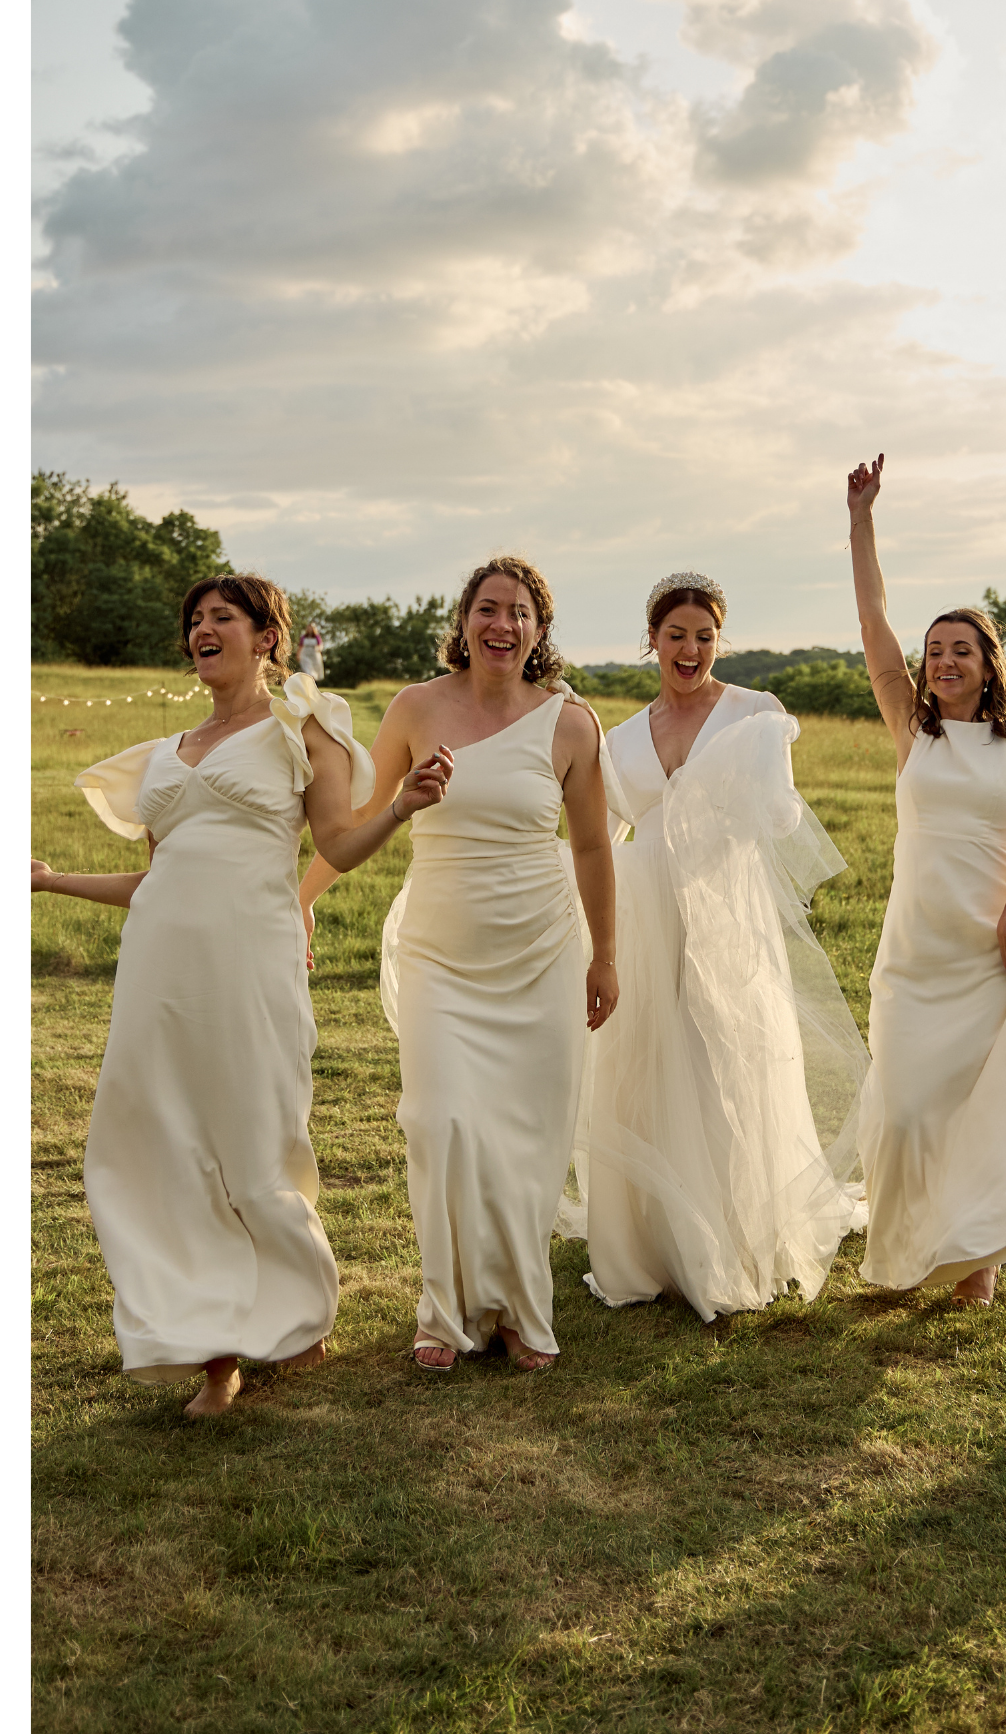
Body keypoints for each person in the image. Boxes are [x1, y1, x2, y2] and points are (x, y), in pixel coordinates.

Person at [31, 574, 451, 1421]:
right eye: (194, 620)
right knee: (155, 1144)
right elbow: (154, 880)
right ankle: (213, 1351)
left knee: (254, 1138)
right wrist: (48, 882)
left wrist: (400, 807)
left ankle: (294, 1307)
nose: (202, 629)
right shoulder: (163, 753)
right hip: (158, 972)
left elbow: (335, 839)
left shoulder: (304, 730)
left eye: (222, 616)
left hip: (251, 961)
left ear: (268, 638)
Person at [300, 556, 617, 1374]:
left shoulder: (571, 723)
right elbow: (361, 819)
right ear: (464, 620)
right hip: (442, 951)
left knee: (526, 1136)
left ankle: (516, 1310)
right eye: (488, 608)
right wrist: (299, 897)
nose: (502, 624)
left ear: (540, 631)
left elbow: (588, 846)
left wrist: (605, 955)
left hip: (543, 950)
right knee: (441, 1124)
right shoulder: (414, 708)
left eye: (519, 612)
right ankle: (443, 1312)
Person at [570, 572, 868, 1321]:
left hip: (725, 912)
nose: (691, 649)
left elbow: (780, 822)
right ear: (651, 641)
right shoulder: (619, 737)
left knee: (723, 1059)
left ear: (718, 641)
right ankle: (650, 1240)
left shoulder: (753, 714)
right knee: (647, 1062)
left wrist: (737, 796)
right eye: (676, 635)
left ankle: (729, 1233)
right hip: (645, 916)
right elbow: (599, 839)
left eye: (705, 636)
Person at [846, 455, 1006, 1305]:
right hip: (916, 945)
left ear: (986, 662)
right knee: (903, 1110)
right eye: (933, 650)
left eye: (958, 650)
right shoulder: (912, 727)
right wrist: (860, 518)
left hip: (989, 947)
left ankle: (977, 1257)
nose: (941, 661)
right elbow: (871, 618)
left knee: (983, 1103)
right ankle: (903, 1255)